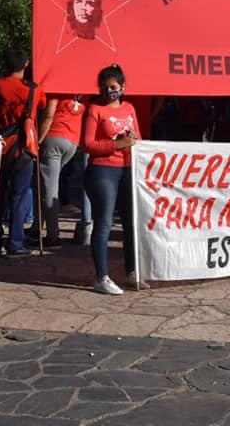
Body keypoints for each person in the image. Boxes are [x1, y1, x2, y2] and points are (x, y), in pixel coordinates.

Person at [83, 64, 140, 295]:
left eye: (114, 87)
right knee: (104, 223)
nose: (109, 92)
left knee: (130, 223)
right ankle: (102, 277)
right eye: (105, 88)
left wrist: (132, 139)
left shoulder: (129, 108)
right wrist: (117, 144)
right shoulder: (94, 109)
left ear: (123, 87)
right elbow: (87, 144)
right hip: (102, 171)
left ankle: (132, 271)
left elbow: (138, 137)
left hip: (127, 169)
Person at [0, 49, 46, 256]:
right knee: (19, 196)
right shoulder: (34, 89)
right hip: (24, 148)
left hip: (0, 145)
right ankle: (15, 242)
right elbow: (43, 106)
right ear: (26, 63)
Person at [38, 92, 90, 247]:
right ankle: (37, 228)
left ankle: (53, 236)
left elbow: (48, 115)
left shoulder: (57, 90)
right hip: (72, 142)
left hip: (54, 137)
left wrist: (38, 141)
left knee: (49, 189)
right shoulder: (84, 93)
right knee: (47, 185)